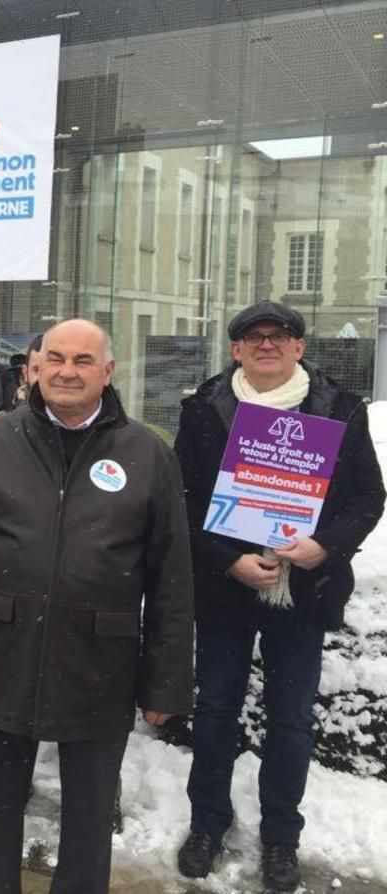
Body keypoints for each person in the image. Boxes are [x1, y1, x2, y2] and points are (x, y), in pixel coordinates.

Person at [0, 319, 193, 894]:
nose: (68, 371)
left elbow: (172, 579)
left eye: (84, 361)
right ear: (35, 367)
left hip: (101, 660)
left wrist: (166, 683)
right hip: (5, 650)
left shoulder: (148, 454)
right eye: (56, 358)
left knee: (90, 818)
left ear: (109, 372)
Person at [174, 302, 385, 893]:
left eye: (281, 335)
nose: (268, 344)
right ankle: (207, 825)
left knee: (290, 720)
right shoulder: (203, 410)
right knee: (216, 709)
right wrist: (227, 560)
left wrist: (326, 547)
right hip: (226, 588)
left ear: (298, 347)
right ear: (236, 350)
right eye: (253, 337)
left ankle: (281, 838)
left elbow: (368, 497)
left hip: (305, 589)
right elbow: (185, 500)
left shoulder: (340, 409)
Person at [13, 334, 45, 407]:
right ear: (25, 372)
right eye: (37, 370)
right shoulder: (5, 418)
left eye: (50, 370)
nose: (44, 378)